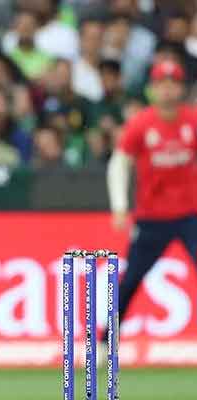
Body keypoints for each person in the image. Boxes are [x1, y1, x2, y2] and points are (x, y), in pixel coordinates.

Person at [106, 59, 197, 340]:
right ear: (152, 89)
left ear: (181, 89)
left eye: (173, 84)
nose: (168, 91)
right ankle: (103, 343)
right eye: (161, 84)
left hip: (190, 214)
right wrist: (120, 206)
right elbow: (119, 163)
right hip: (151, 217)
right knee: (131, 280)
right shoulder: (141, 124)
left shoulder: (192, 121)